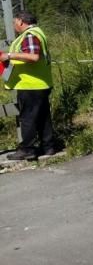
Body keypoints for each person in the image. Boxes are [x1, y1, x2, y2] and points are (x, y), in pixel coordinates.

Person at [1, 10, 57, 160]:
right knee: (43, 117)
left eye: (14, 23)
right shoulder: (38, 33)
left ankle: (27, 149)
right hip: (41, 83)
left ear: (21, 21)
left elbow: (33, 56)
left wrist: (9, 55)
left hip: (30, 84)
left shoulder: (30, 35)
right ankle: (48, 147)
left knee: (28, 118)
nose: (14, 26)